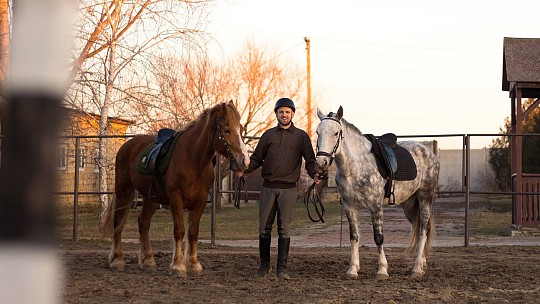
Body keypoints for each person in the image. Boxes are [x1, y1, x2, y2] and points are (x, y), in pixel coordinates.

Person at [237, 97, 320, 280]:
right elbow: (257, 159)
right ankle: (264, 266)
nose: (284, 114)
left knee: (284, 229)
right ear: (276, 114)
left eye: (287, 112)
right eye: (281, 112)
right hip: (268, 188)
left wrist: (315, 174)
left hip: (288, 190)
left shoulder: (301, 137)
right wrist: (244, 169)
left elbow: (310, 161)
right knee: (264, 228)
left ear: (292, 114)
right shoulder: (268, 135)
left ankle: (282, 269)